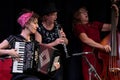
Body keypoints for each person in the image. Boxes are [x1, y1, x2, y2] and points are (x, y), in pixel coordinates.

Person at [0, 9, 60, 80]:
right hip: (20, 76)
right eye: (35, 23)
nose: (37, 26)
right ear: (26, 24)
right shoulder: (14, 38)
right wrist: (9, 52)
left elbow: (42, 65)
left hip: (34, 76)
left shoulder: (35, 43)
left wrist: (53, 66)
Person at [72, 4, 119, 80]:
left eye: (86, 11)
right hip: (89, 56)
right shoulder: (79, 26)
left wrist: (116, 15)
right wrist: (102, 46)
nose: (85, 13)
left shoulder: (95, 24)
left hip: (100, 56)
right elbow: (85, 39)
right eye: (82, 12)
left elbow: (113, 27)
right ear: (77, 16)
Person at [35, 2, 68, 80]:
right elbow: (38, 46)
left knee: (58, 78)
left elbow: (66, 42)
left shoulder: (58, 27)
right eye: (54, 15)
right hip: (44, 59)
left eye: (56, 15)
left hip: (56, 58)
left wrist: (64, 39)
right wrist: (54, 43)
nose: (56, 17)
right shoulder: (39, 28)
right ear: (46, 16)